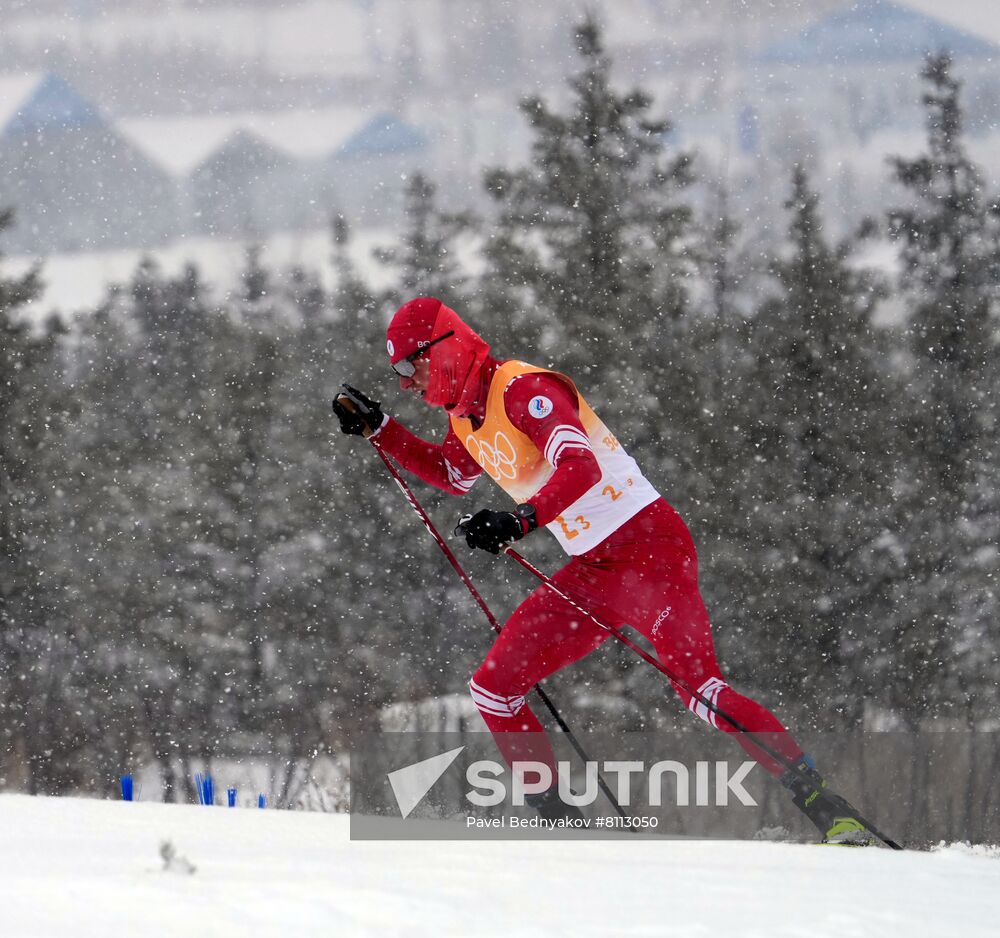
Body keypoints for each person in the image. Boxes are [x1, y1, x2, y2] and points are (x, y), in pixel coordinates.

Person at [334, 296, 872, 844]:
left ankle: (829, 808)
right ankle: (564, 830)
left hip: (651, 551)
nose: (406, 383)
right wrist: (381, 429)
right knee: (494, 690)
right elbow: (451, 473)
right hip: (595, 569)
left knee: (700, 692)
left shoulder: (523, 390)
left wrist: (518, 522)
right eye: (397, 374)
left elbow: (580, 465)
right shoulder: (465, 418)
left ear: (443, 350)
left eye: (409, 366)